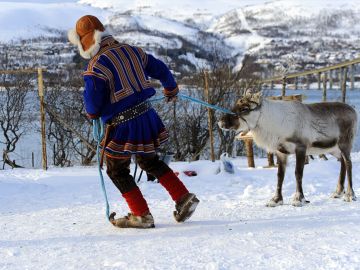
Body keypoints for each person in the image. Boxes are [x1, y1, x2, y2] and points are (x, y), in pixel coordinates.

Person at [68, 15, 199, 228]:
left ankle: (141, 215)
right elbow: (160, 68)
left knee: (116, 170)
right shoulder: (133, 51)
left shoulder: (96, 67)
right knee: (149, 161)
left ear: (86, 43)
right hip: (147, 116)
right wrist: (170, 88)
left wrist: (93, 115)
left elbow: (92, 105)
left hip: (122, 125)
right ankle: (183, 198)